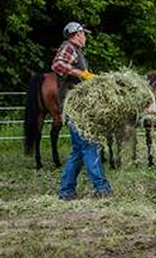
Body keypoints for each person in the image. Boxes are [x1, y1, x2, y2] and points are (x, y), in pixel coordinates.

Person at [53, 21, 111, 200]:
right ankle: (101, 188)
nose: (85, 37)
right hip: (75, 108)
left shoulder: (78, 53)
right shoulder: (68, 47)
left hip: (78, 108)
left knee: (78, 150)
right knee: (89, 145)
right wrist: (81, 74)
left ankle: (66, 190)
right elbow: (57, 65)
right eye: (83, 33)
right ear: (75, 34)